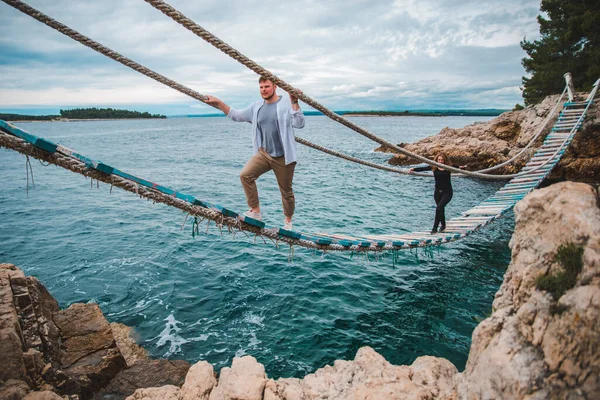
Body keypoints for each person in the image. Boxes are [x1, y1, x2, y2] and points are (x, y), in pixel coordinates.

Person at [205, 77, 305, 230]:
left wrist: (294, 101)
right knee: (245, 175)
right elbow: (236, 115)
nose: (264, 90)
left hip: (283, 157)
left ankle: (288, 221)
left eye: (267, 86)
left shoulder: (285, 103)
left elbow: (299, 123)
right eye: (261, 87)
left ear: (275, 86)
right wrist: (219, 103)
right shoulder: (256, 106)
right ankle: (255, 212)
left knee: (286, 191)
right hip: (264, 153)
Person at [408, 153, 465, 234]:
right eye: (439, 160)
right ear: (436, 160)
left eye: (442, 160)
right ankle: (443, 225)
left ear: (445, 160)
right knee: (440, 209)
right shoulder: (434, 166)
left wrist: (461, 167)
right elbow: (423, 169)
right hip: (437, 192)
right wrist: (413, 169)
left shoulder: (448, 167)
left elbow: (457, 167)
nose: (440, 161)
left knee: (439, 208)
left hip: (447, 192)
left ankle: (434, 228)